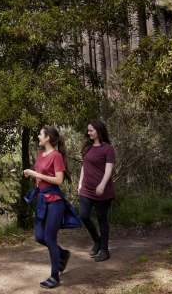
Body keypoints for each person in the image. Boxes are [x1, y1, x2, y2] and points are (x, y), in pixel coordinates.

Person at [23, 126, 80, 289]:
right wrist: (34, 177)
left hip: (55, 202)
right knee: (39, 237)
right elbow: (40, 178)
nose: (38, 136)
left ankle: (55, 276)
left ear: (48, 138)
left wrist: (34, 174)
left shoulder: (57, 156)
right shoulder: (41, 155)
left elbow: (58, 180)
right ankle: (62, 254)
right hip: (42, 200)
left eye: (40, 134)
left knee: (49, 238)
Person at [78, 120, 116, 262]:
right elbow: (84, 166)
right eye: (88, 131)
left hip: (102, 191)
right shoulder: (87, 147)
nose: (89, 133)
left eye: (91, 130)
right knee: (83, 215)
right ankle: (97, 240)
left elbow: (109, 169)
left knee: (102, 219)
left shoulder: (108, 149)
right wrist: (80, 183)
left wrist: (102, 184)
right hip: (86, 190)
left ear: (99, 131)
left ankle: (104, 250)